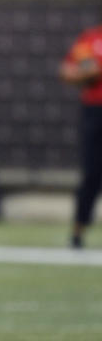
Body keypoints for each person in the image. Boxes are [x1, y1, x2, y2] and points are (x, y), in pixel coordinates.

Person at [60, 19, 102, 249]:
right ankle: (78, 230)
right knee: (92, 174)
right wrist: (88, 72)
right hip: (95, 111)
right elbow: (67, 71)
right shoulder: (91, 39)